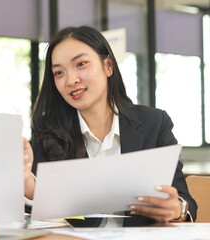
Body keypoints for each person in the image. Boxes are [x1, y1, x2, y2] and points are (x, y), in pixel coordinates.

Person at [23, 26, 197, 225]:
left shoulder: (154, 124)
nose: (71, 80)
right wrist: (30, 187)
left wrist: (177, 209)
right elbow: (32, 215)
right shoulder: (48, 134)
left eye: (81, 64)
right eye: (59, 72)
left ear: (108, 66)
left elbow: (186, 203)